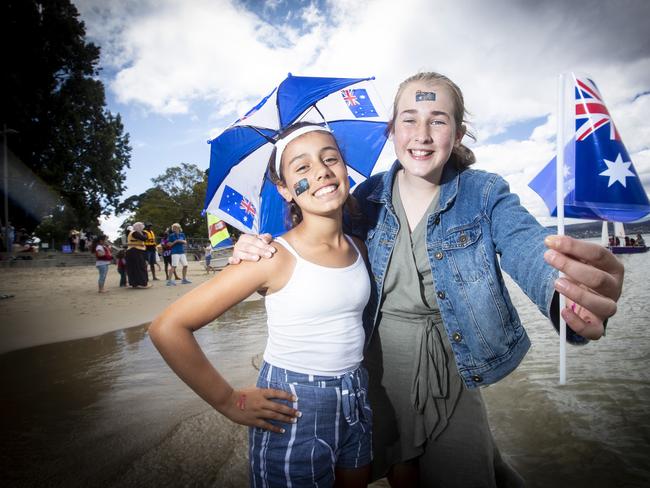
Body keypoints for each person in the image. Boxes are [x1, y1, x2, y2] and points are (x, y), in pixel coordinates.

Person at [230, 72, 624, 487]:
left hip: (453, 369)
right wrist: (253, 249)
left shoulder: (485, 192)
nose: (422, 134)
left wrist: (565, 293)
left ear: (457, 134)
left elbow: (527, 244)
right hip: (374, 371)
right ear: (392, 129)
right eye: (409, 119)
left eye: (437, 120)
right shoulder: (365, 198)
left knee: (469, 472)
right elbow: (313, 244)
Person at [150, 123, 373, 487]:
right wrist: (227, 401)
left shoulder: (359, 248)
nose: (321, 171)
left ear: (344, 168)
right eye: (302, 167)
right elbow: (168, 328)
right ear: (284, 189)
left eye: (330, 158)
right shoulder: (270, 256)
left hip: (356, 395)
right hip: (293, 403)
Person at [126, 222, 151, 289]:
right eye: (141, 227)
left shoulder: (135, 232)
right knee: (140, 267)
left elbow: (145, 237)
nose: (142, 229)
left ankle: (135, 283)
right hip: (135, 251)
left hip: (134, 251)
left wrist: (144, 233)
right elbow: (144, 238)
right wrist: (145, 234)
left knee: (134, 268)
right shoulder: (134, 232)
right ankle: (142, 283)